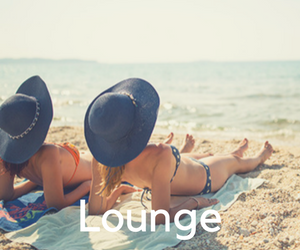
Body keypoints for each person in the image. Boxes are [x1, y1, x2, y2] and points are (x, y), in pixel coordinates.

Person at [85, 78, 274, 224]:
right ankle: (259, 157)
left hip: (181, 168)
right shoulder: (159, 154)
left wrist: (117, 191)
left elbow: (95, 210)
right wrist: (194, 202)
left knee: (209, 156)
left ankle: (236, 151)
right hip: (205, 177)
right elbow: (161, 218)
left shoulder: (102, 159)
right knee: (235, 163)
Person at [0, 76, 92, 210]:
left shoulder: (8, 156)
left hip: (85, 161)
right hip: (94, 165)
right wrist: (87, 186)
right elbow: (56, 205)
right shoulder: (47, 155)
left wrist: (35, 182)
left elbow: (6, 194)